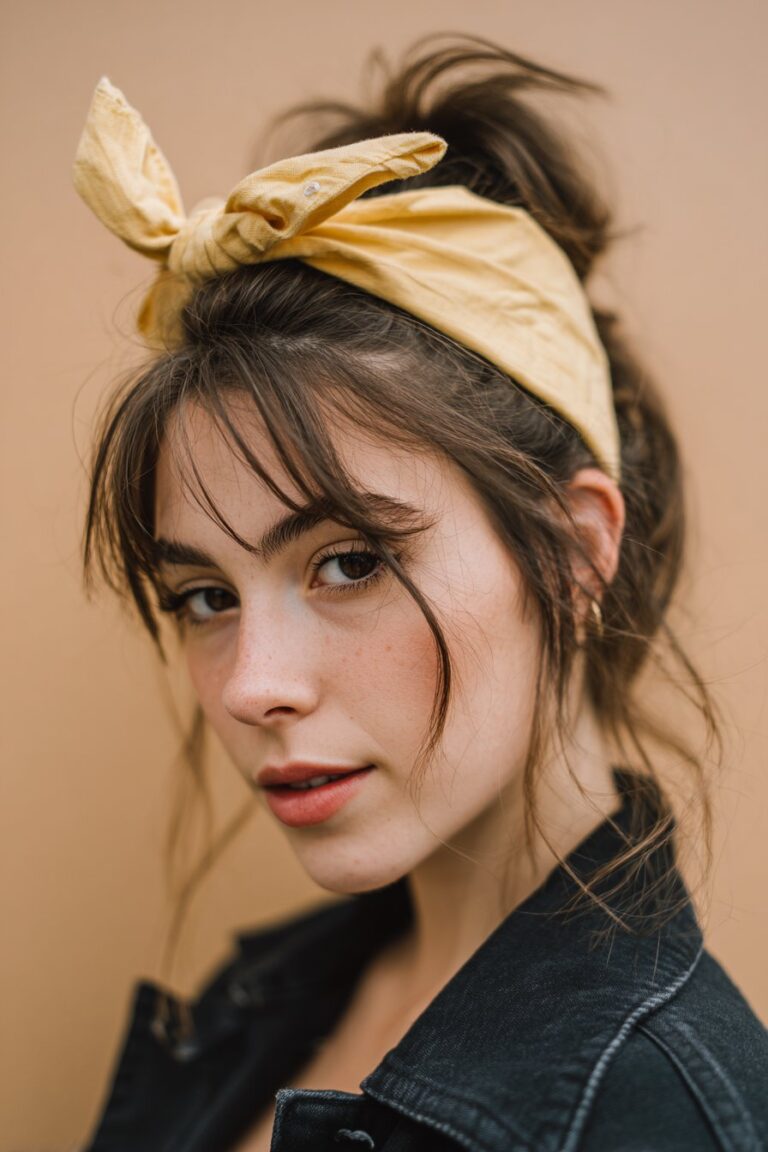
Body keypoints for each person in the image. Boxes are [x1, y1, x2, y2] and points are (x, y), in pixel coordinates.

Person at [72, 33, 767, 1152]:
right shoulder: (261, 1002)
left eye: (349, 564)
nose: (252, 687)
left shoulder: (660, 1113)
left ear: (577, 551)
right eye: (204, 594)